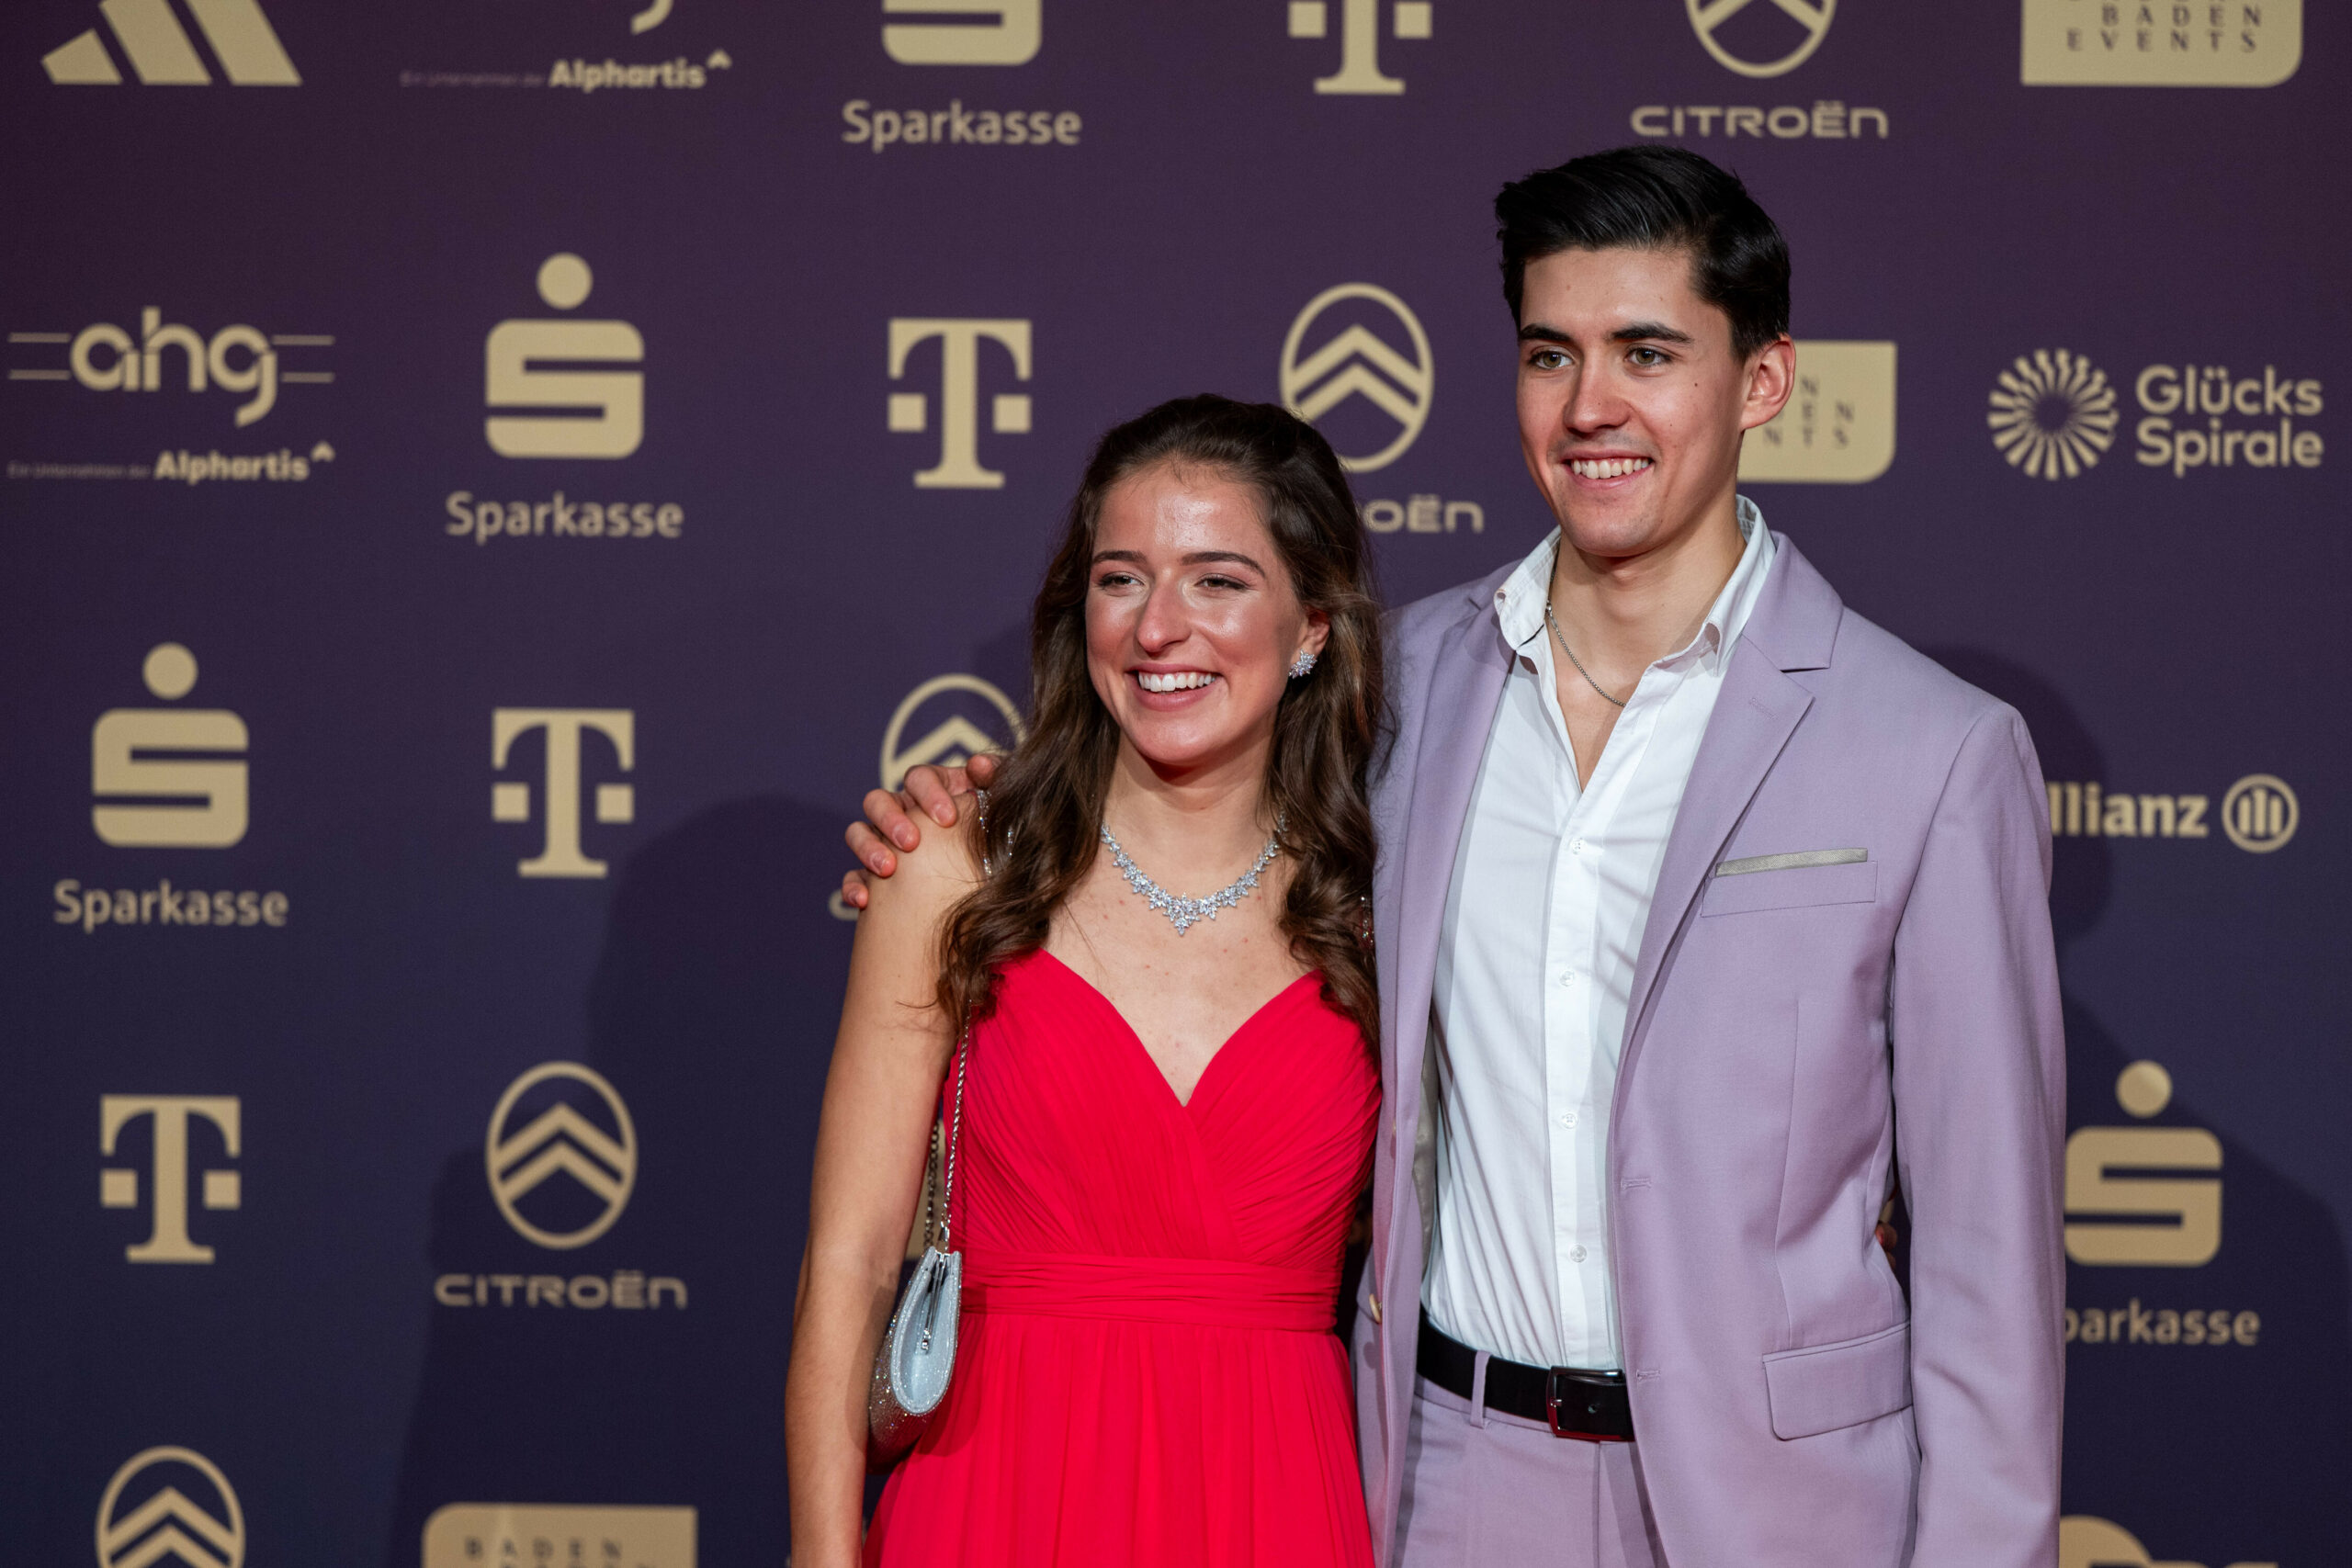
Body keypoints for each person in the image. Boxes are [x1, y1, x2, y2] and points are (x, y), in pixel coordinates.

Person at [843, 147, 2065, 1567]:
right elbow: (1169, 775)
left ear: (1766, 381)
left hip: (1784, 1513)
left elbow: (1989, 1277)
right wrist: (959, 818)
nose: (1592, 405)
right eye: (1552, 354)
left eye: (1648, 352)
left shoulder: (1932, 749)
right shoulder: (1401, 693)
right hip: (1447, 1488)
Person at [787, 394, 1390, 1568]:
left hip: (1272, 1497)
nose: (1160, 627)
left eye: (1218, 580)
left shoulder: (1387, 902)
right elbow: (849, 1261)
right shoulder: (957, 865)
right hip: (992, 1491)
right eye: (1123, 579)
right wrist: (823, 1552)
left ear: (1311, 623)